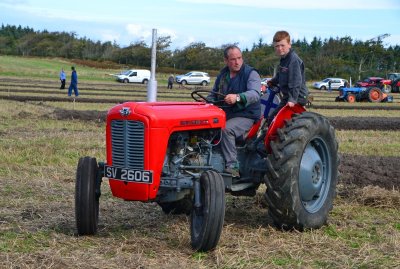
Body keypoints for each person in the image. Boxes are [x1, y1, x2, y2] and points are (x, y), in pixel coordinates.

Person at [209, 45, 261, 177]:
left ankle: (232, 166)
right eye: (233, 59)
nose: (237, 62)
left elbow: (255, 93)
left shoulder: (250, 73)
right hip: (227, 113)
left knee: (226, 129)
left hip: (246, 115)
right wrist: (206, 102)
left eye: (239, 58)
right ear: (226, 60)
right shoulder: (223, 75)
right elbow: (213, 94)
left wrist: (237, 97)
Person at [267, 31, 308, 124]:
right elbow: (280, 74)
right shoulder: (284, 59)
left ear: (289, 44)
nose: (279, 48)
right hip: (287, 97)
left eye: (282, 45)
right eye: (277, 46)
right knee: (272, 119)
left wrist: (292, 100)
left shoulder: (293, 60)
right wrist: (272, 81)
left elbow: (295, 81)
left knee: (276, 120)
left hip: (297, 98)